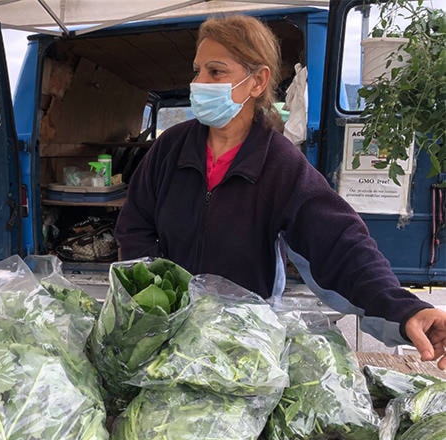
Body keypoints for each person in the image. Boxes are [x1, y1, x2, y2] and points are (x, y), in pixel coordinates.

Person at [114, 15, 446, 369]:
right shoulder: (170, 149)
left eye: (215, 72)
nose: (198, 83)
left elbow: (340, 245)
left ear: (257, 81)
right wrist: (153, 301)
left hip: (241, 343)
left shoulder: (280, 164)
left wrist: (405, 307)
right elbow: (135, 226)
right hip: (167, 331)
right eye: (197, 71)